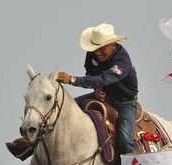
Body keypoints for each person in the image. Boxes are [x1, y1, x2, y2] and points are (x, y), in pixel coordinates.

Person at [56, 23, 138, 156]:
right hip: (105, 96)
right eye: (95, 48)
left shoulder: (123, 62)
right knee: (65, 109)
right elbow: (91, 73)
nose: (97, 52)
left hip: (125, 103)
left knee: (124, 140)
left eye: (101, 48)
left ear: (113, 45)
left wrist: (72, 80)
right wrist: (97, 88)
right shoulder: (92, 53)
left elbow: (104, 78)